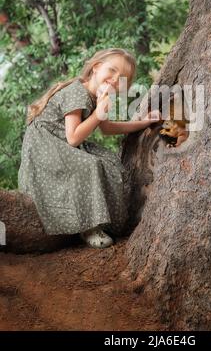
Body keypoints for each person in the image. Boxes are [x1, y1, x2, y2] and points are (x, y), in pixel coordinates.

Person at [18, 48, 160, 249]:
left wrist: (143, 123)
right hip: (45, 146)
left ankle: (107, 219)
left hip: (61, 143)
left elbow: (107, 128)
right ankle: (89, 227)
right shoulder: (78, 92)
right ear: (96, 67)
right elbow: (74, 137)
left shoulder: (97, 96)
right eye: (112, 70)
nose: (115, 78)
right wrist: (98, 114)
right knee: (90, 165)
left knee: (109, 161)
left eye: (122, 78)